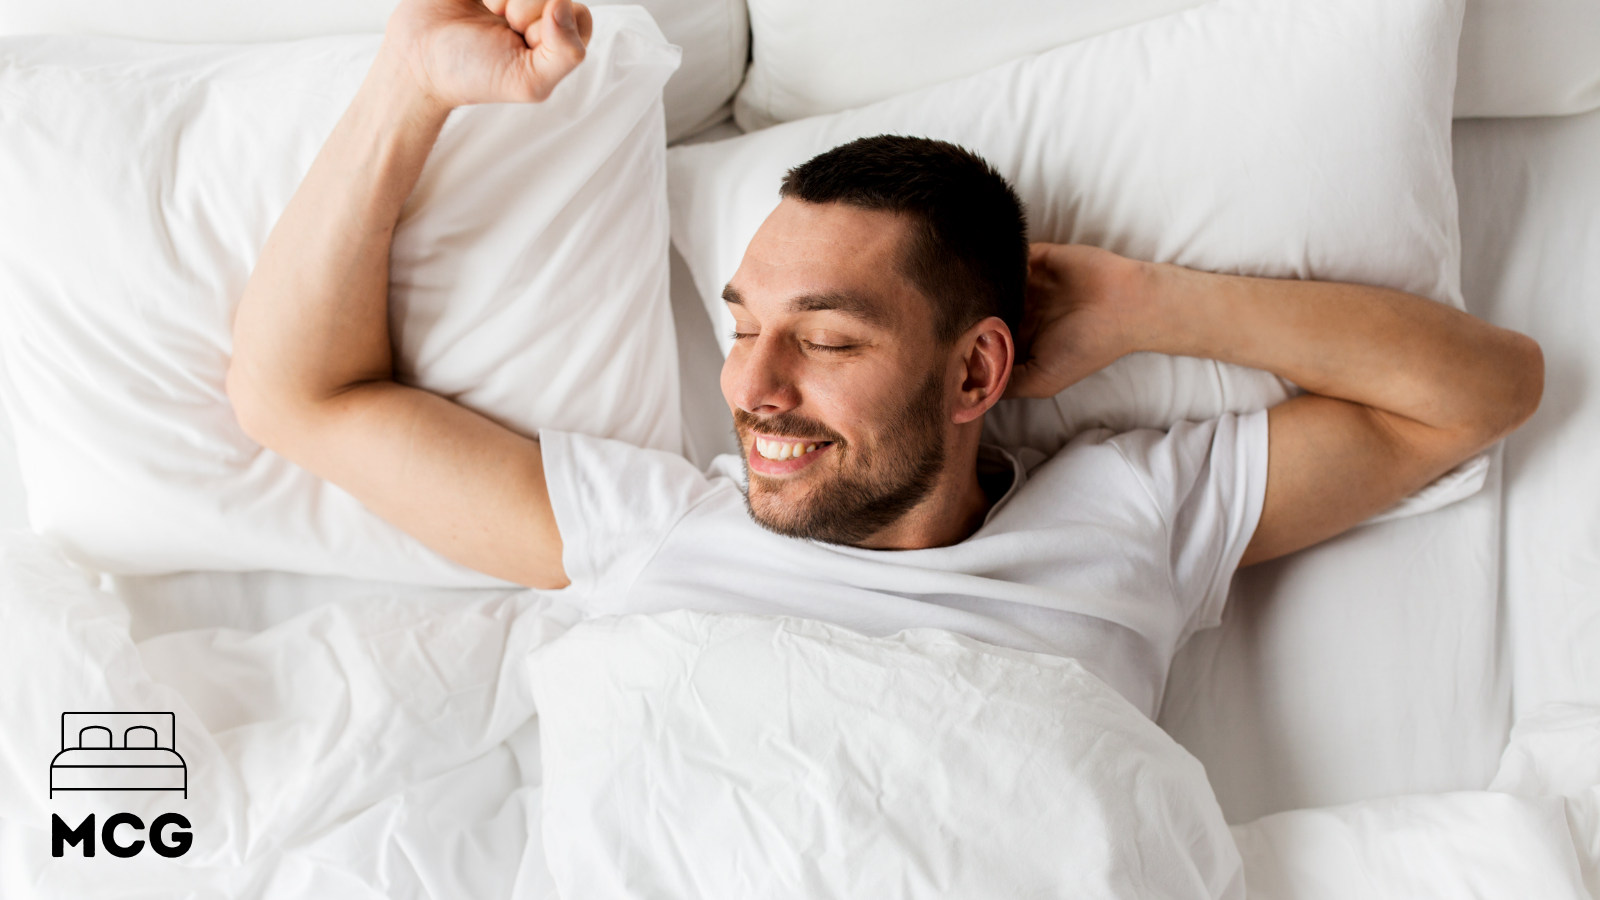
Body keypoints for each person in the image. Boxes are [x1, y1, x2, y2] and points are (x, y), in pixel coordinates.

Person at [226, 0, 1544, 718]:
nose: (749, 389)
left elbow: (1482, 393)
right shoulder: (656, 524)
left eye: (826, 338)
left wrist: (1150, 305)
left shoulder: (1132, 517)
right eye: (745, 326)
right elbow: (297, 394)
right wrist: (407, 86)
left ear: (978, 374)